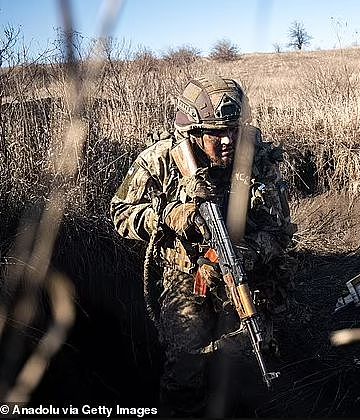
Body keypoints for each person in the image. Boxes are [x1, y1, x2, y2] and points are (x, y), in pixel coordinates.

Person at [110, 75, 296, 416]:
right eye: (215, 132)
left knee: (249, 352)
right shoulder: (160, 159)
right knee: (186, 364)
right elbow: (119, 213)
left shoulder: (258, 157)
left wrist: (242, 255)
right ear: (194, 131)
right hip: (184, 275)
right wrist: (167, 216)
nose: (227, 140)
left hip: (243, 271)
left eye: (233, 129)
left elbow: (280, 231)